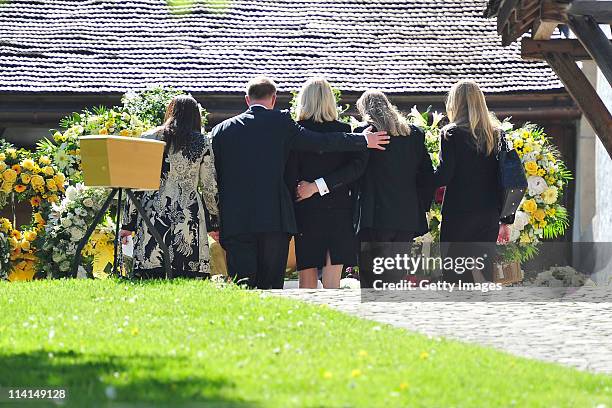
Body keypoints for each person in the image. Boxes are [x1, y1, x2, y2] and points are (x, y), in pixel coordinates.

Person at [211, 76, 389, 289]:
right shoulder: (281, 123)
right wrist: (361, 140)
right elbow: (319, 142)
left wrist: (215, 220)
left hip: (237, 221)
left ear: (247, 100)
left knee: (243, 286)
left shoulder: (221, 131)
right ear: (274, 99)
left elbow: (214, 179)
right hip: (274, 220)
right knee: (271, 287)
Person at [120, 95, 219, 279]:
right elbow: (209, 187)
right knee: (187, 272)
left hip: (152, 211)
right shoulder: (203, 142)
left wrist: (128, 224)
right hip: (188, 213)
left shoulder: (148, 138)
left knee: (152, 266)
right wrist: (214, 222)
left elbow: (135, 185)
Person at [286, 78, 367, 289]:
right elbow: (351, 172)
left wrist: (308, 188)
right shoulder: (344, 130)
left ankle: (307, 320)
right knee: (333, 279)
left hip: (305, 207)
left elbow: (290, 172)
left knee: (307, 279)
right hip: (339, 208)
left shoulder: (296, 132)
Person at [433, 80, 513, 283]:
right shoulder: (498, 135)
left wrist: (419, 175)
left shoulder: (451, 134)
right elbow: (507, 179)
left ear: (455, 103)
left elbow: (444, 176)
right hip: (488, 214)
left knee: (455, 275)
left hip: (459, 214)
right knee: (482, 275)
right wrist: (505, 220)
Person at [353, 91, 435, 287]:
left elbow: (354, 173)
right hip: (406, 214)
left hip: (374, 214)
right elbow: (427, 175)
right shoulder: (414, 134)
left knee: (371, 277)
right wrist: (420, 206)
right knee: (396, 276)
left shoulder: (364, 134)